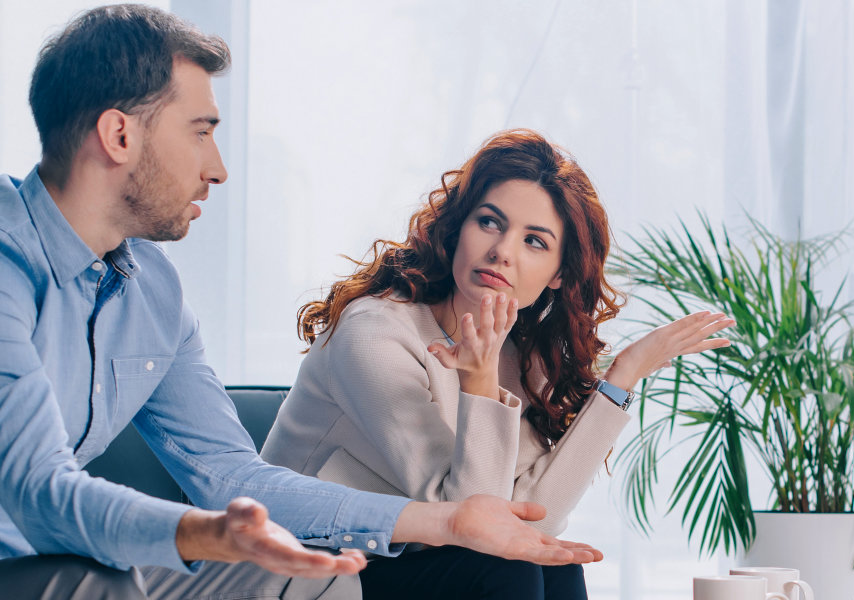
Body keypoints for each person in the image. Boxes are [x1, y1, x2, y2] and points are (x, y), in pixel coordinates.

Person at [0, 6, 599, 600]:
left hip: (38, 574)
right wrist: (202, 533)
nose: (219, 167)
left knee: (317, 585)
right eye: (200, 130)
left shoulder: (150, 289)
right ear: (120, 136)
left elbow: (231, 472)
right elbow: (41, 493)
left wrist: (445, 525)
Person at [263, 129, 734, 599]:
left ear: (558, 275)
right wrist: (479, 381)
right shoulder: (374, 333)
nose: (502, 252)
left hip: (401, 561)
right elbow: (471, 520)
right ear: (458, 228)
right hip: (306, 569)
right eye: (490, 222)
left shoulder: (519, 357)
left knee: (557, 567)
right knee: (508, 570)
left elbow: (535, 520)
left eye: (534, 241)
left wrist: (621, 379)